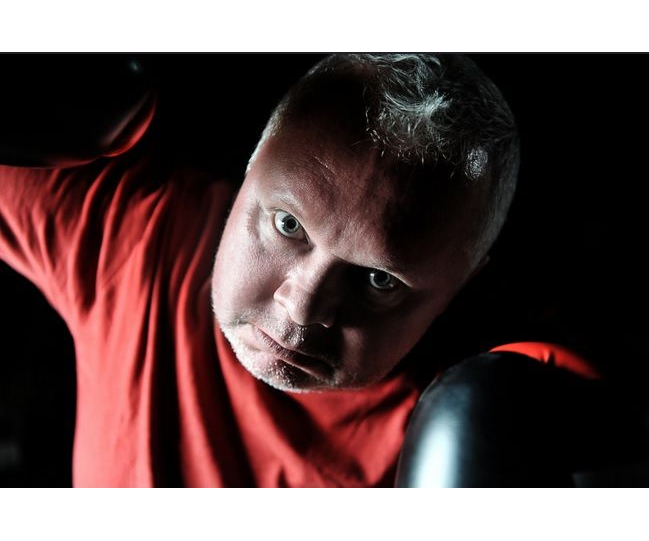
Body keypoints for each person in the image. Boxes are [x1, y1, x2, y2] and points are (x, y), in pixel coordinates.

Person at [1, 54, 641, 487]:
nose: (302, 306)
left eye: (379, 280)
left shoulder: (470, 442)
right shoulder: (140, 236)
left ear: (460, 288)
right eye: (287, 225)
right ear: (249, 170)